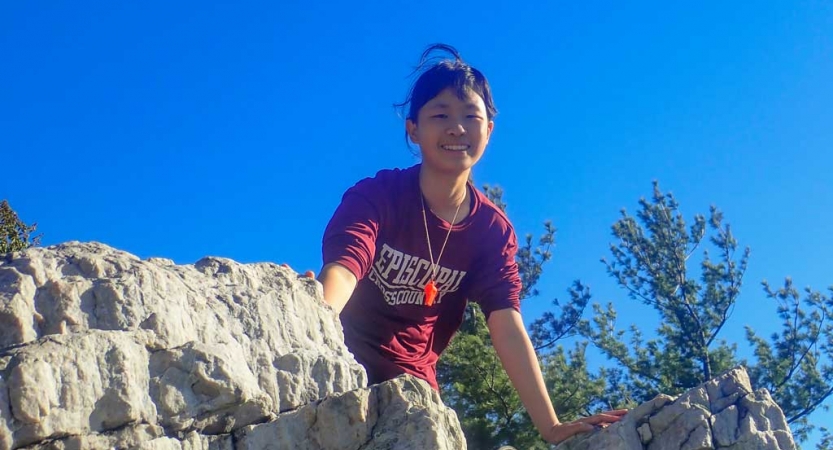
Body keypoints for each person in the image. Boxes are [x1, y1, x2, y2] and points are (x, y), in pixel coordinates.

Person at [315, 43, 626, 444]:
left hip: (411, 396)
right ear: (412, 128)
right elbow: (345, 265)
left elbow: (507, 324)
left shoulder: (490, 232)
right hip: (340, 363)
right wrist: (317, 317)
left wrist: (550, 426)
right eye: (440, 115)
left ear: (489, 130)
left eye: (470, 116)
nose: (456, 128)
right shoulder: (378, 195)